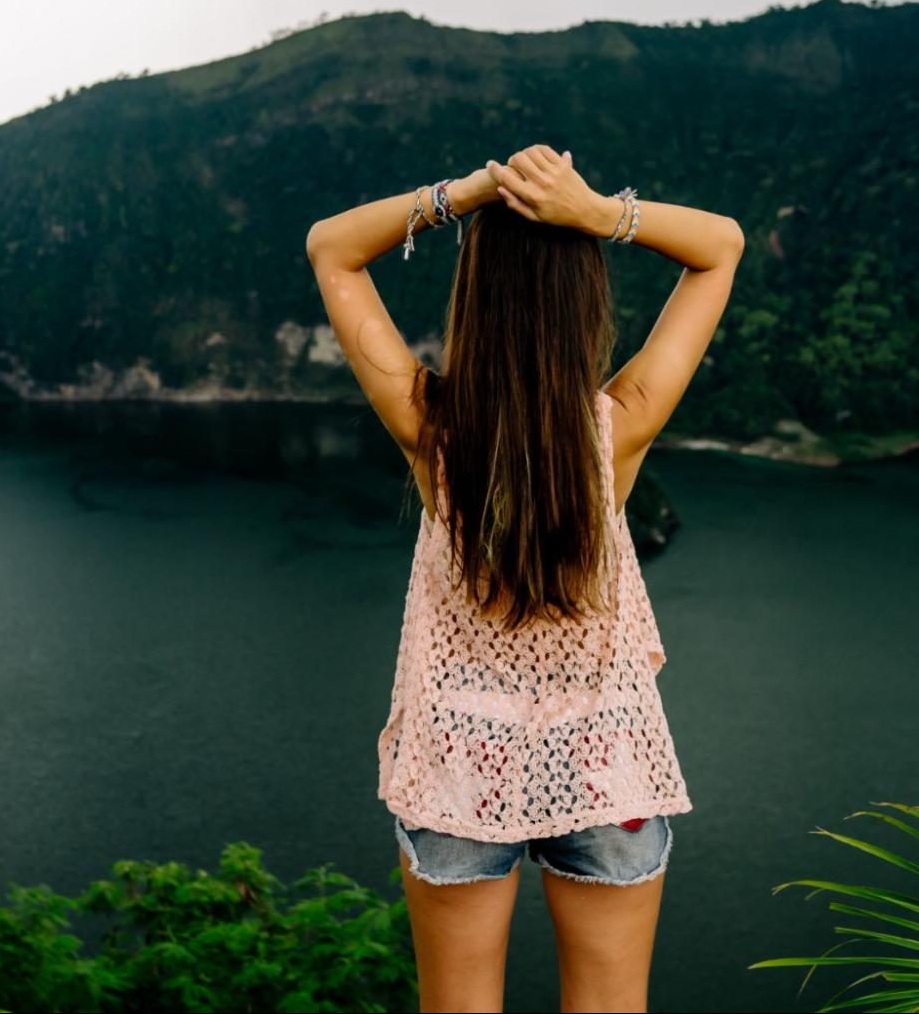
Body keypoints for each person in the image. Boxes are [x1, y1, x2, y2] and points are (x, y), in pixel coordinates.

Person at [305, 144, 744, 1013]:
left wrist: (461, 195)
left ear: (474, 300)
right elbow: (720, 244)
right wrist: (597, 213)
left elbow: (330, 247)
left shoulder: (432, 430)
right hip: (607, 764)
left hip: (455, 769)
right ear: (585, 302)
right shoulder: (614, 429)